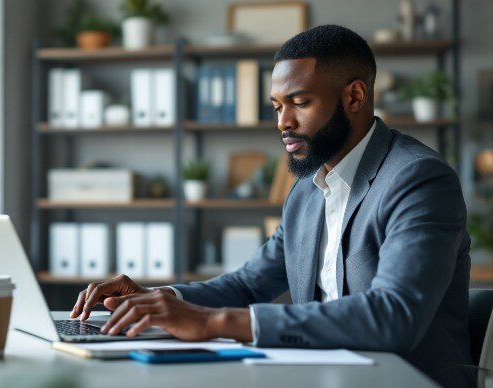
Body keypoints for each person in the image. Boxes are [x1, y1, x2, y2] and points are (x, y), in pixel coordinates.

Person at [70, 25, 474, 388]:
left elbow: (394, 315)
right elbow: (249, 284)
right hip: (324, 374)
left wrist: (215, 322)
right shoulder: (306, 191)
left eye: (300, 102)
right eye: (278, 106)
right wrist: (163, 297)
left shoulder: (417, 179)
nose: (283, 122)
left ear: (355, 96)